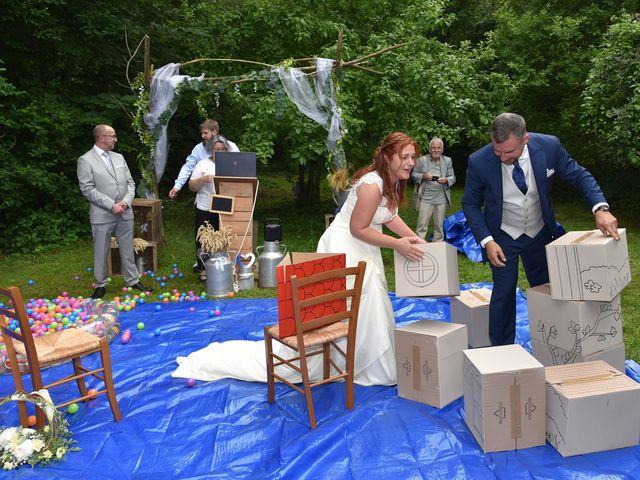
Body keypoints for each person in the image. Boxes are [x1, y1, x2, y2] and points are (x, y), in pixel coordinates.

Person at [172, 132, 426, 386]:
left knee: (369, 302)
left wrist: (415, 239)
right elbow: (357, 228)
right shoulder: (372, 184)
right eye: (404, 157)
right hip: (347, 245)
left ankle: (360, 359)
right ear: (386, 157)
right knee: (350, 304)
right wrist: (397, 245)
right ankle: (340, 360)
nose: (410, 162)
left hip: (365, 246)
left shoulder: (390, 181)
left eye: (413, 157)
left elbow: (388, 216)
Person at [462, 113, 619, 346]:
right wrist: (487, 241)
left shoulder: (549, 146)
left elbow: (579, 175)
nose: (502, 157)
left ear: (525, 139)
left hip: (540, 231)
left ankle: (555, 343)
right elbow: (470, 203)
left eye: (509, 152)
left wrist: (600, 208)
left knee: (547, 289)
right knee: (504, 293)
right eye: (498, 151)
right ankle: (501, 351)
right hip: (503, 236)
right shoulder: (479, 160)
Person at [77, 124, 149, 299]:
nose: (115, 139)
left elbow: (130, 183)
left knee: (127, 247)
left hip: (124, 211)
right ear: (102, 138)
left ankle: (132, 280)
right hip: (102, 214)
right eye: (112, 136)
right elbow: (87, 189)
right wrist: (111, 205)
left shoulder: (119, 157)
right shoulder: (85, 160)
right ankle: (100, 284)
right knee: (101, 250)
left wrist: (125, 202)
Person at [189, 135, 229, 281]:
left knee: (222, 238)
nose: (219, 152)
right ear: (210, 150)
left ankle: (223, 266)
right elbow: (191, 186)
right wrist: (202, 179)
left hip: (226, 207)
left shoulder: (232, 164)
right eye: (216, 149)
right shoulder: (202, 164)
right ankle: (203, 270)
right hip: (205, 206)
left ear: (226, 150)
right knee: (204, 239)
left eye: (222, 149)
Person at [168, 119, 239, 200]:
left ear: (214, 132)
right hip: (205, 198)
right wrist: (177, 187)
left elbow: (239, 168)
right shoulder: (198, 149)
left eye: (205, 133)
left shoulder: (231, 147)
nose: (202, 136)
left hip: (228, 195)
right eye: (201, 133)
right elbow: (188, 167)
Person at [411, 138, 455, 241]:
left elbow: (452, 177)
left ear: (442, 149)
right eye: (433, 148)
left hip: (441, 199)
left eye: (438, 148)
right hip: (425, 198)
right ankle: (418, 248)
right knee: (421, 226)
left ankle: (438, 249)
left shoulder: (447, 160)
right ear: (430, 149)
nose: (436, 150)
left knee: (439, 227)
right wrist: (423, 177)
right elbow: (413, 174)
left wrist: (446, 180)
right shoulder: (421, 160)